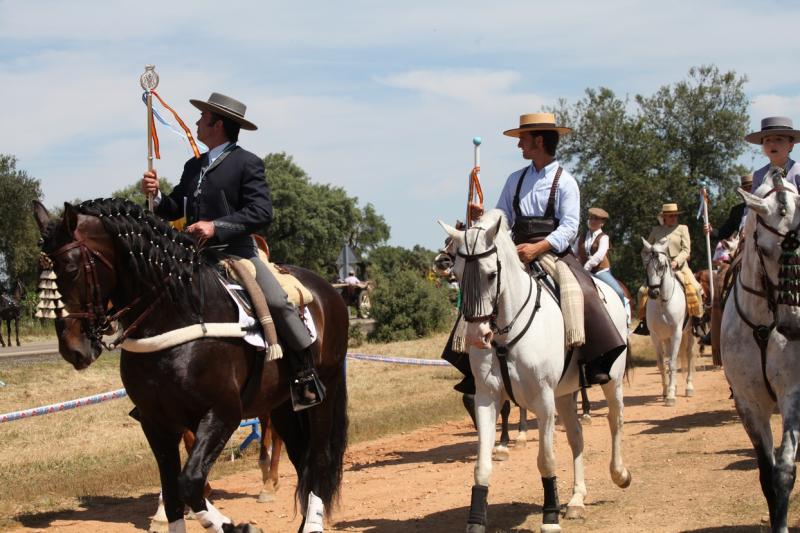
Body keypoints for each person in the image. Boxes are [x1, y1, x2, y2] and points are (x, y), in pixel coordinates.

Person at [141, 92, 324, 411]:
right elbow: (173, 208)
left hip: (238, 254)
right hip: (195, 257)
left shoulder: (247, 163)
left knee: (278, 303)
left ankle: (305, 376)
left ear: (218, 124)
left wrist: (216, 226)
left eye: (203, 117)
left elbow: (261, 212)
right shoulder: (193, 166)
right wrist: (156, 198)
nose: (197, 122)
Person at [476, 112, 626, 386]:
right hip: (515, 251)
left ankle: (593, 359)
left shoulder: (566, 181)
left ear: (539, 141)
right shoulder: (514, 179)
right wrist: (483, 217)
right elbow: (502, 217)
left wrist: (537, 248)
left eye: (523, 139)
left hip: (553, 253)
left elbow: (569, 227)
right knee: (480, 287)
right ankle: (470, 361)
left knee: (584, 291)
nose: (519, 144)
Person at [633, 203, 705, 338]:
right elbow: (645, 251)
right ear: (664, 217)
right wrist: (648, 264)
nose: (673, 218)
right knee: (642, 291)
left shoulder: (683, 229)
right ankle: (644, 322)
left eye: (675, 216)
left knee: (695, 289)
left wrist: (676, 261)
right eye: (670, 216)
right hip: (659, 270)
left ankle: (697, 322)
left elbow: (686, 250)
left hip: (680, 268)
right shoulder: (656, 231)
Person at [572, 206, 627, 306]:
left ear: (602, 223)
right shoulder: (581, 236)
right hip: (582, 270)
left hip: (600, 271)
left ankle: (625, 314)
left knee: (619, 291)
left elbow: (599, 255)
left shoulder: (604, 237)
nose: (592, 220)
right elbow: (573, 252)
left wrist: (586, 267)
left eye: (596, 219)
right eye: (591, 218)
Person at [746, 116, 800, 191]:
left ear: (790, 145)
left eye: (779, 139)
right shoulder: (759, 175)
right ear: (763, 146)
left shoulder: (798, 172)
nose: (772, 143)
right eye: (767, 140)